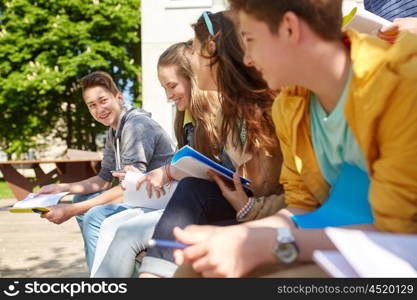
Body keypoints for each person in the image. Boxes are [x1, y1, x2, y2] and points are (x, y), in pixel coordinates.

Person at [171, 0, 417, 278]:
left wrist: (267, 244)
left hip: (396, 249)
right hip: (350, 241)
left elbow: (396, 231)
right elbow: (301, 207)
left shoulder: (402, 82)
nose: (248, 59)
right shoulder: (291, 105)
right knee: (192, 270)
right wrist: (235, 238)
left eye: (250, 40)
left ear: (289, 28)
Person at [138, 11, 285, 278]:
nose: (190, 59)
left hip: (270, 214)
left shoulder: (272, 107)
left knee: (191, 253)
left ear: (213, 50)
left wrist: (250, 207)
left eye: (193, 50)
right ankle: (152, 275)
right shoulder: (227, 113)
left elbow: (292, 192)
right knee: (192, 191)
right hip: (244, 205)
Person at [89, 41, 224, 277]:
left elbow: (215, 171)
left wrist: (169, 172)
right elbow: (187, 165)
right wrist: (153, 176)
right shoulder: (184, 118)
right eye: (164, 88)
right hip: (179, 197)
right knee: (107, 222)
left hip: (204, 201)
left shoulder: (217, 115)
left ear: (193, 78)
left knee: (123, 230)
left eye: (172, 86)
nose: (168, 95)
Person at [37, 71, 175, 270]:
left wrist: (69, 211)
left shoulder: (136, 126)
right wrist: (60, 189)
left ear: (119, 97)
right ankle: (104, 271)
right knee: (81, 199)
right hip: (143, 196)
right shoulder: (114, 130)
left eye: (103, 100)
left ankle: (104, 281)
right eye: (92, 105)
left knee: (94, 215)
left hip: (162, 197)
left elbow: (131, 187)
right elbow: (102, 180)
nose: (99, 109)